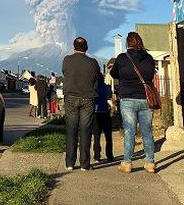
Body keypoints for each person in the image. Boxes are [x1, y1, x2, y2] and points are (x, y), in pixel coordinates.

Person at [110, 32, 156, 174]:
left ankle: (127, 162)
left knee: (130, 130)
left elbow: (113, 74)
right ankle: (150, 163)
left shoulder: (123, 58)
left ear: (127, 43)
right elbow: (151, 75)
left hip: (128, 99)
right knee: (147, 131)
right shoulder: (149, 58)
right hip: (145, 99)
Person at [62, 37, 101, 171]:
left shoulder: (67, 60)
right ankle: (85, 164)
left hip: (71, 97)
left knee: (71, 129)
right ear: (87, 48)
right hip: (88, 98)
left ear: (73, 47)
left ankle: (70, 163)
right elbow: (97, 79)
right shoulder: (93, 62)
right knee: (86, 130)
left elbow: (65, 73)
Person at [92, 72, 114, 163]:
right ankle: (110, 156)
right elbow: (109, 96)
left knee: (96, 137)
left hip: (95, 113)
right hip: (105, 112)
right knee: (108, 136)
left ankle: (97, 156)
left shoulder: (93, 89)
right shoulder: (107, 87)